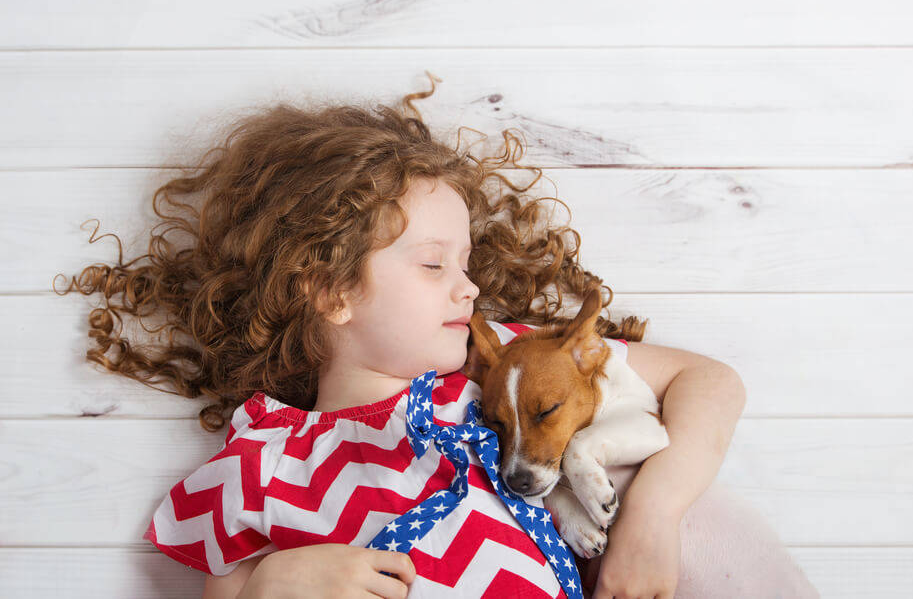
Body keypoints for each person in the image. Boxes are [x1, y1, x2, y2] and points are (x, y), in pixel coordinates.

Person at [53, 72, 803, 598]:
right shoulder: (264, 460)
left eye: (468, 262)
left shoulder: (503, 365)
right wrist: (271, 587)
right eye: (434, 263)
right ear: (333, 289)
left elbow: (710, 381)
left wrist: (657, 512)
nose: (468, 287)